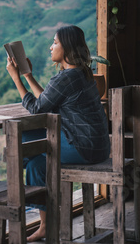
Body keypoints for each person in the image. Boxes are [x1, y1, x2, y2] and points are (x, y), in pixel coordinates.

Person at [6, 25, 110, 242]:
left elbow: (36, 108)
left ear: (67, 48)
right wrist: (28, 75)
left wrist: (16, 78)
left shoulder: (66, 78)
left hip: (84, 147)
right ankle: (45, 226)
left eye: (55, 43)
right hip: (99, 147)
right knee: (35, 165)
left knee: (23, 140)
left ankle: (15, 196)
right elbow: (47, 102)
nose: (50, 47)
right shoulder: (81, 73)